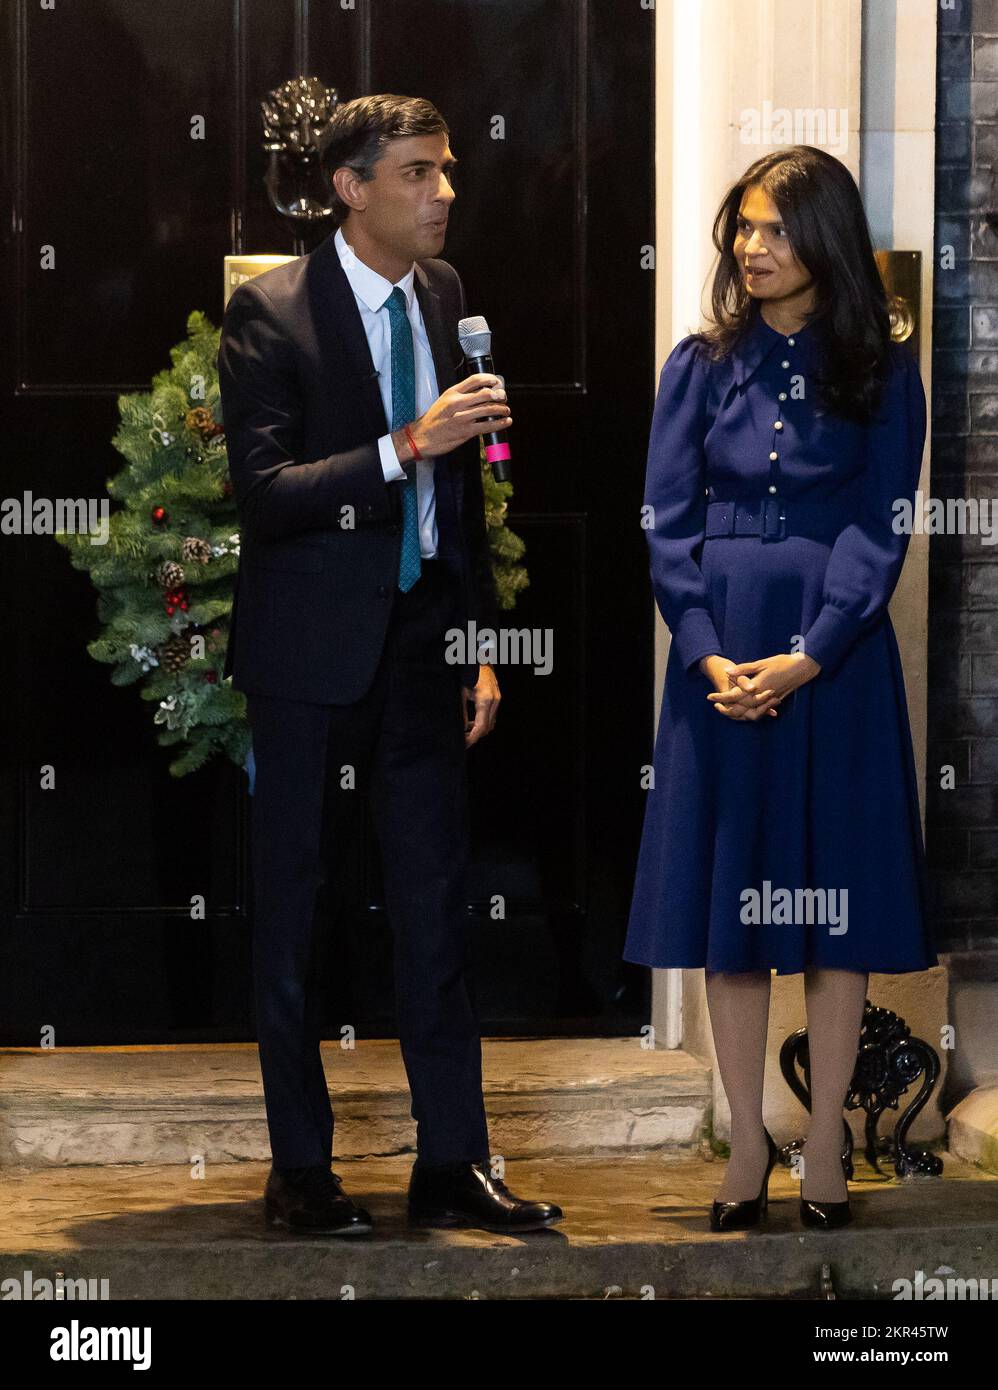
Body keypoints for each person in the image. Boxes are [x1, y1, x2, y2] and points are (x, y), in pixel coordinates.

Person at [217, 92, 561, 1236]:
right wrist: (403, 443)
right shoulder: (272, 316)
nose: (443, 193)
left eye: (446, 169)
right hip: (310, 660)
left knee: (434, 908)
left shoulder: (448, 299)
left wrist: (474, 645)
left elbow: (462, 496)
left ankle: (450, 1161)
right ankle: (301, 1170)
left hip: (422, 650)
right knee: (295, 915)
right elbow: (264, 499)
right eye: (416, 173)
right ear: (351, 190)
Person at [624, 145, 936, 1232]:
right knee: (733, 899)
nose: (752, 248)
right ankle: (745, 1136)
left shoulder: (882, 370)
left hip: (830, 661)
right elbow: (666, 520)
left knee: (830, 901)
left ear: (826, 242)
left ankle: (823, 1140)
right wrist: (706, 648)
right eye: (741, 229)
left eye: (774, 229)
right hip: (716, 655)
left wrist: (812, 649)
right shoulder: (697, 364)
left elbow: (878, 520)